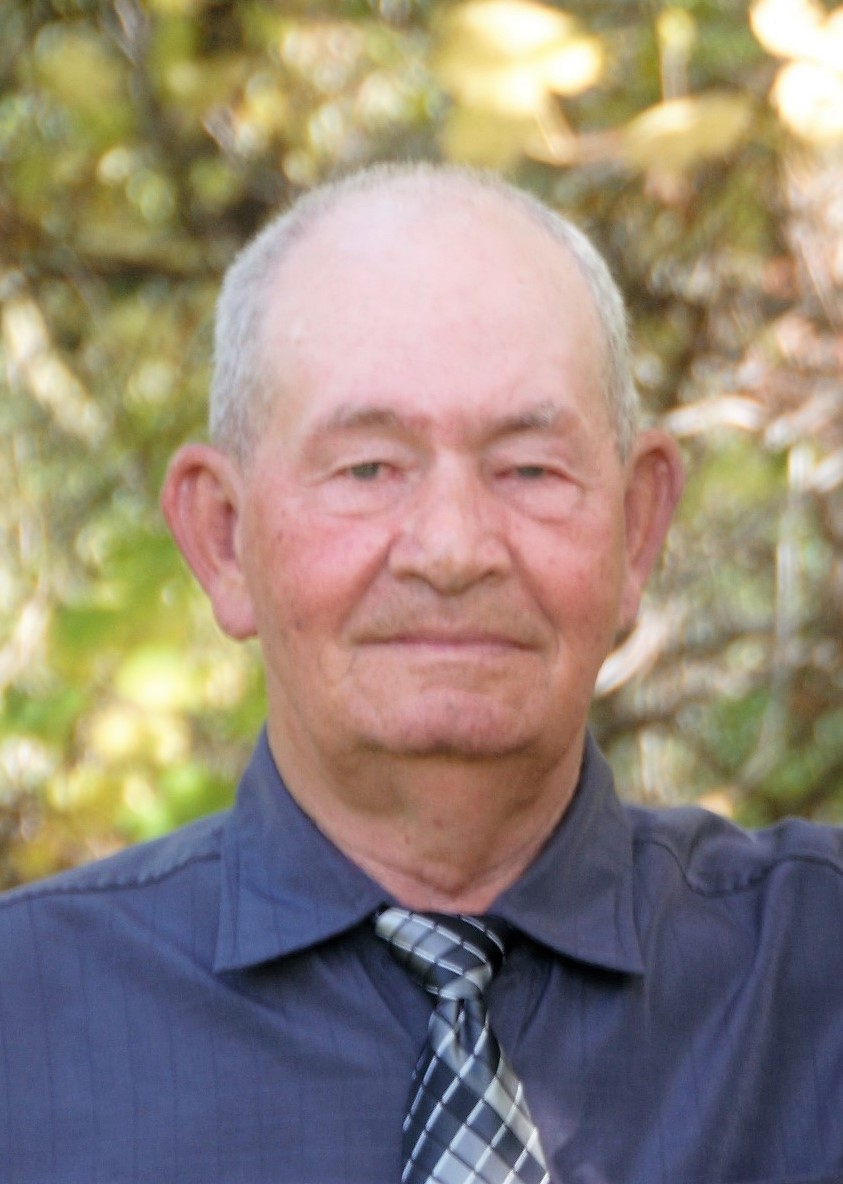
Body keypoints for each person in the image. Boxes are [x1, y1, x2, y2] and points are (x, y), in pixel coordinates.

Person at [1, 163, 841, 1184]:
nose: (451, 549)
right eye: (368, 468)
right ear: (223, 538)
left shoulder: (815, 981)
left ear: (636, 529)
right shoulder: (24, 1027)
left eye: (528, 469)